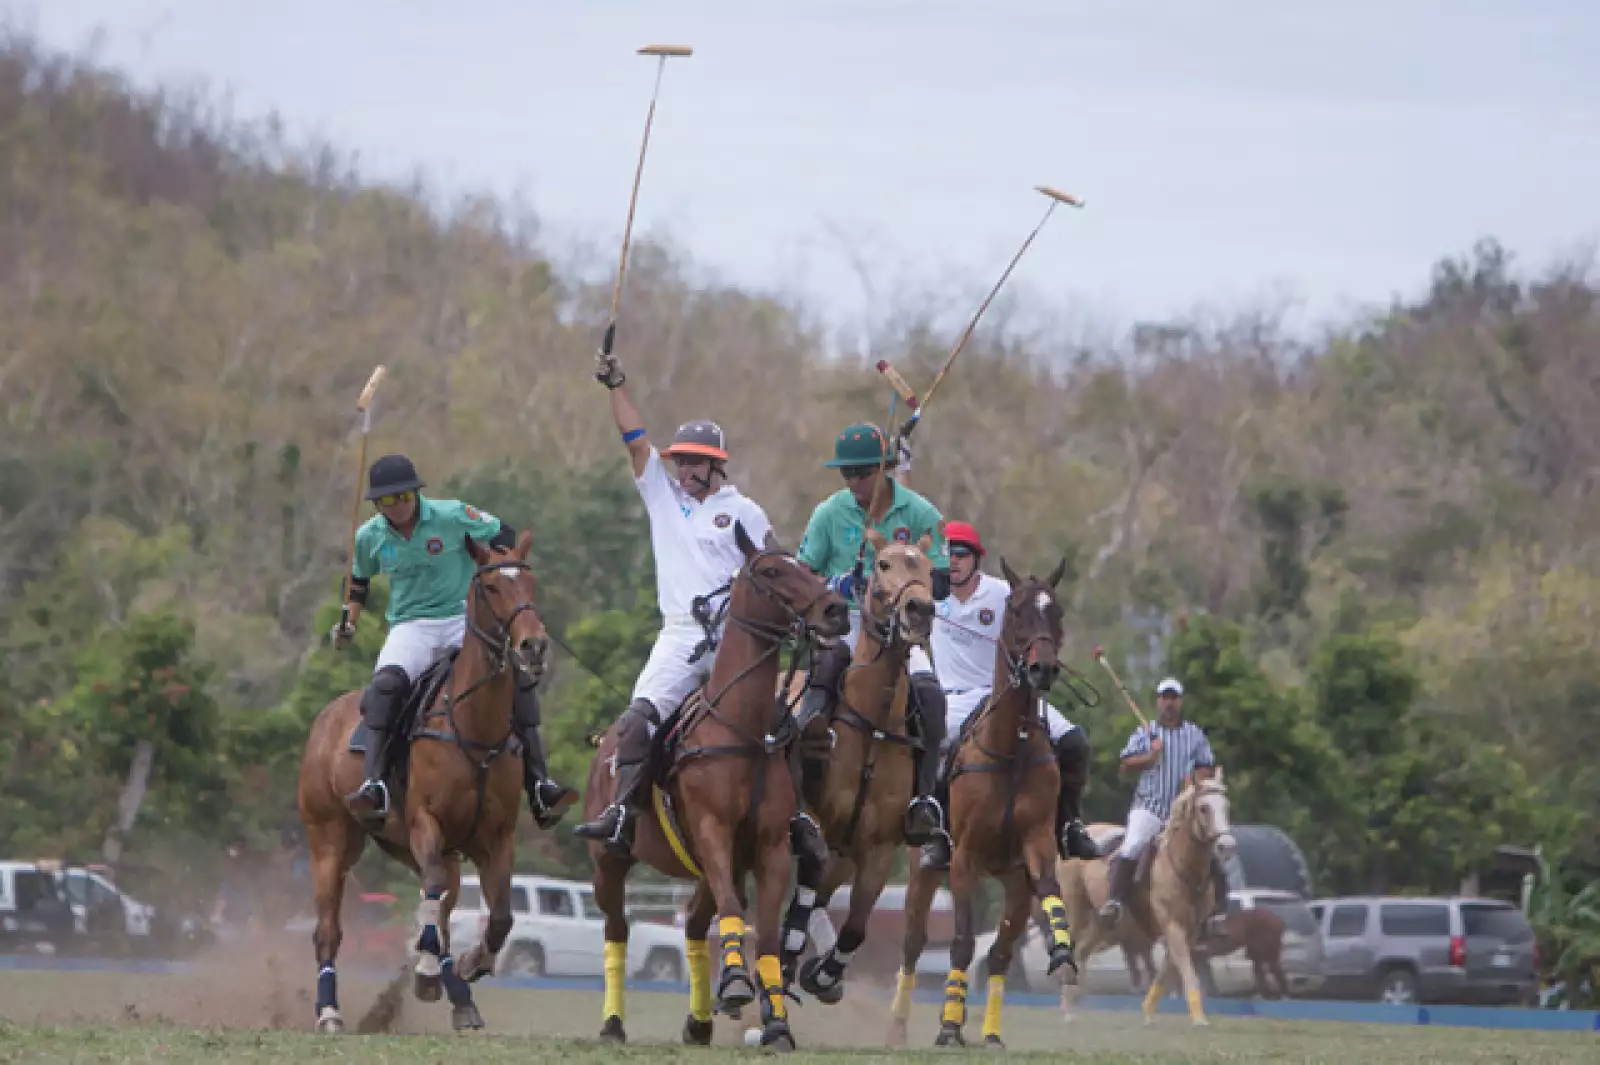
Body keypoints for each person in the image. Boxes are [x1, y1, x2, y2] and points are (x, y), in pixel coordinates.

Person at [573, 351, 818, 859]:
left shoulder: (743, 511)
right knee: (637, 721)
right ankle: (622, 813)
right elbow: (635, 442)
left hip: (739, 637)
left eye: (691, 461)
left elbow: (778, 565)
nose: (682, 467)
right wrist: (616, 386)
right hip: (681, 633)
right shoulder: (663, 497)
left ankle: (795, 817)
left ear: (714, 465)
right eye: (679, 459)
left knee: (780, 721)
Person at [331, 454, 575, 830]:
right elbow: (358, 583)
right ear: (377, 503)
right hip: (411, 626)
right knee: (384, 687)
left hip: (463, 618)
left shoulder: (453, 515)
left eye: (404, 496)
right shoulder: (369, 537)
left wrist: (498, 579)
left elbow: (504, 534)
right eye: (388, 500)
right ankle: (375, 783)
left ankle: (540, 783)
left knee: (517, 681)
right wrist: (348, 621)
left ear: (416, 492)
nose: (398, 506)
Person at [795, 423, 951, 850]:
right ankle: (798, 796)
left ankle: (924, 800)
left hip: (902, 632)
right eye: (846, 474)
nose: (853, 483)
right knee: (820, 681)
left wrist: (908, 583)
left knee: (932, 698)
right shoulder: (830, 513)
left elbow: (941, 579)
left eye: (861, 473)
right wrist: (835, 588)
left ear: (884, 469)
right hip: (845, 624)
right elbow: (803, 572)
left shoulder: (920, 514)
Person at [917, 520, 1101, 870]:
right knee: (933, 746)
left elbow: (1037, 610)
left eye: (961, 554)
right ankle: (938, 834)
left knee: (1075, 743)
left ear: (975, 558)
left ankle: (1070, 824)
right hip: (954, 699)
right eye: (948, 555)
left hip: (1004, 694)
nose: (953, 561)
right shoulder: (928, 595)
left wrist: (1044, 648)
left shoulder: (1001, 592)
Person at [1098, 678, 1228, 930]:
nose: (1169, 703)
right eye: (1164, 698)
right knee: (1134, 844)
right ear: (1158, 701)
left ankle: (1217, 913)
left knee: (1212, 851)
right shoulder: (1145, 733)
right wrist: (1151, 756)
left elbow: (1205, 766)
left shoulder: (1194, 735)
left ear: (1180, 701)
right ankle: (1114, 901)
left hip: (1182, 811)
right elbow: (1124, 765)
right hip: (1148, 808)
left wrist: (1197, 783)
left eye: (1173, 698)